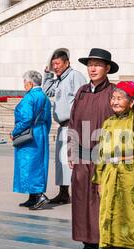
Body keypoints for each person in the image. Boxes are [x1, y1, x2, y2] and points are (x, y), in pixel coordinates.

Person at [92, 81, 134, 249]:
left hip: (132, 175)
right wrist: (100, 179)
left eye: (120, 98)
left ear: (132, 102)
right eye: (113, 98)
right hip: (111, 174)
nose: (115, 101)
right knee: (111, 215)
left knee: (131, 216)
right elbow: (101, 152)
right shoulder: (108, 123)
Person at [67, 48, 119, 249]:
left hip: (105, 158)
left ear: (107, 68)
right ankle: (89, 248)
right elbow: (72, 122)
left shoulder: (114, 92)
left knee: (104, 203)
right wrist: (71, 149)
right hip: (82, 156)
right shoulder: (82, 92)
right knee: (81, 202)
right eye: (90, 65)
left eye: (98, 65)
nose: (93, 68)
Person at [43, 48, 87, 205]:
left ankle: (79, 193)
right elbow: (47, 91)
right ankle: (63, 193)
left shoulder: (75, 76)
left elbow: (83, 99)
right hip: (63, 126)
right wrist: (47, 74)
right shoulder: (59, 79)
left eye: (58, 63)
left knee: (73, 160)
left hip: (73, 125)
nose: (55, 66)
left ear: (67, 63)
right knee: (62, 161)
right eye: (53, 64)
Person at [12, 70, 52, 210]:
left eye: (24, 82)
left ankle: (39, 196)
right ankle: (33, 197)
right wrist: (43, 132)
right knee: (38, 165)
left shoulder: (29, 98)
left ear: (29, 83)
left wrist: (14, 132)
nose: (24, 85)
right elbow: (48, 119)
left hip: (29, 135)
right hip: (40, 132)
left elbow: (26, 119)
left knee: (28, 165)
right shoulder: (44, 97)